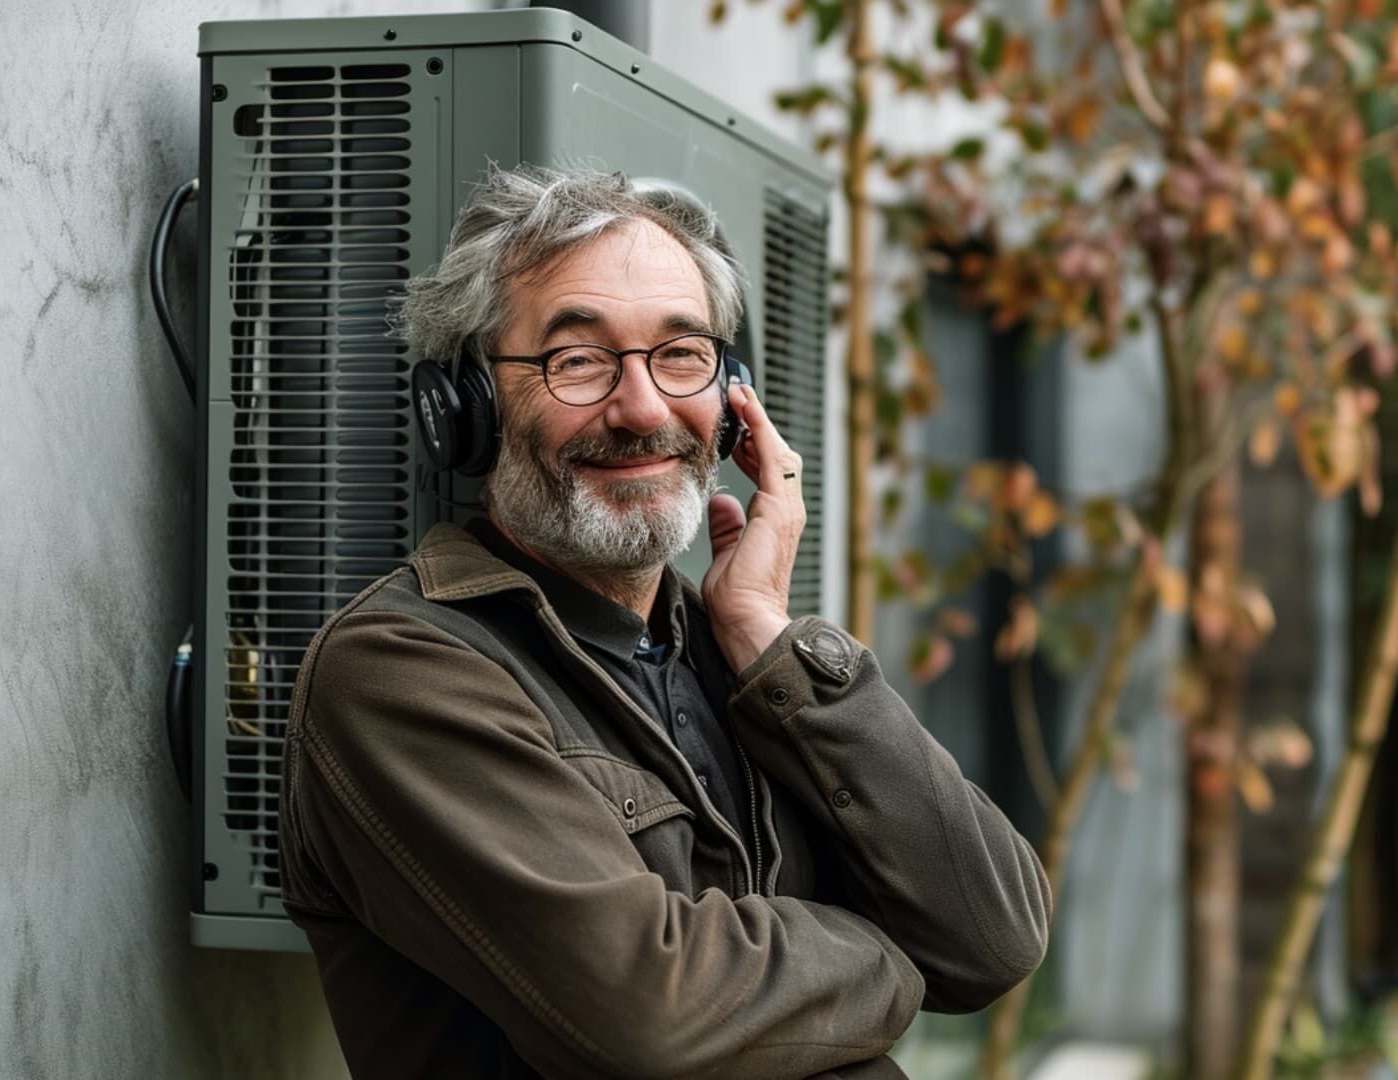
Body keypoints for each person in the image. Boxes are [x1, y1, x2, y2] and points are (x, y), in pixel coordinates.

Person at [277, 165, 1050, 1080]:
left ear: (733, 405)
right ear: (468, 408)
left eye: (682, 355)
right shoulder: (403, 669)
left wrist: (770, 635)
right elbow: (647, 1015)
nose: (642, 408)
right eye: (577, 359)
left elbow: (994, 936)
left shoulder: (740, 659)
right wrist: (896, 953)